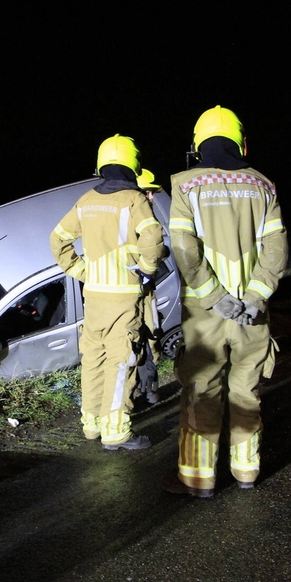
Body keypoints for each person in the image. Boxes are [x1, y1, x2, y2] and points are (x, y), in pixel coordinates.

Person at [162, 106, 287, 498]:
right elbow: (276, 250)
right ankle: (246, 471)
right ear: (240, 141)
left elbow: (184, 247)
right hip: (252, 314)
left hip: (206, 312)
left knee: (202, 389)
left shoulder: (185, 184)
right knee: (246, 390)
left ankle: (198, 479)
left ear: (198, 143)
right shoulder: (264, 186)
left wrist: (215, 297)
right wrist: (254, 297)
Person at [50, 135, 168, 451]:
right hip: (124, 298)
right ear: (133, 164)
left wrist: (81, 272)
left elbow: (57, 240)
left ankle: (91, 424)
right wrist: (146, 269)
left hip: (95, 299)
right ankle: (115, 432)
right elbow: (153, 238)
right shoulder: (134, 200)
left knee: (93, 361)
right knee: (120, 362)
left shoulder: (86, 200)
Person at [132, 168, 165, 405]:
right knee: (132, 347)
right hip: (129, 295)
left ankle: (150, 391)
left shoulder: (148, 219)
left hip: (147, 293)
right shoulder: (128, 221)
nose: (152, 197)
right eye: (148, 192)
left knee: (151, 343)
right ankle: (132, 396)